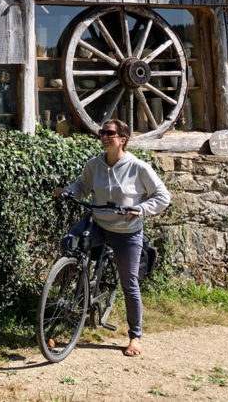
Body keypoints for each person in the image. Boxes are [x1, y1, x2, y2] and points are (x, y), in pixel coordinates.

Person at [53, 118, 170, 357]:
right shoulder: (95, 164)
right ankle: (75, 275)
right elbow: (82, 186)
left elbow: (162, 196)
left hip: (126, 232)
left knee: (130, 285)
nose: (104, 136)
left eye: (109, 133)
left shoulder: (137, 167)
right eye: (101, 132)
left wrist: (140, 209)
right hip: (98, 223)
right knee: (69, 242)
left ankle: (135, 336)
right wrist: (67, 192)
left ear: (122, 139)